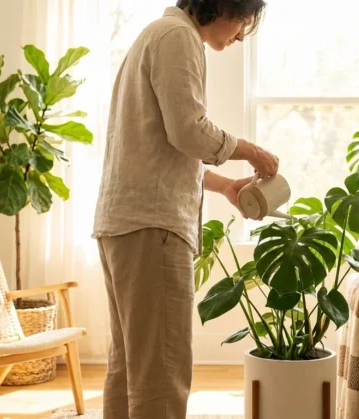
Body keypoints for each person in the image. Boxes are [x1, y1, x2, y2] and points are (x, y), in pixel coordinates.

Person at [92, 1, 275, 418]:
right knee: (161, 371)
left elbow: (158, 146)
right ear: (225, 5)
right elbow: (188, 130)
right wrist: (249, 150)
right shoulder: (178, 37)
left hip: (125, 223)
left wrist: (225, 185)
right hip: (152, 228)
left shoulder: (156, 35)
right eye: (245, 21)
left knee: (130, 368)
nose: (242, 35)